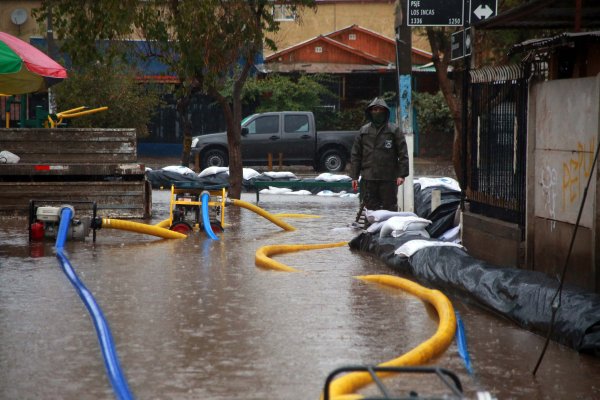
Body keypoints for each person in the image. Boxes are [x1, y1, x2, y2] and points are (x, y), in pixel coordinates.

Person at [350, 98, 409, 212]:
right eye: (374, 109)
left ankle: (389, 229)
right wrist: (354, 176)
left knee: (390, 207)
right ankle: (370, 229)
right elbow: (356, 155)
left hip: (388, 177)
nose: (377, 112)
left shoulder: (394, 130)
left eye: (380, 109)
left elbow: (403, 153)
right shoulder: (363, 131)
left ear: (385, 112)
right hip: (369, 177)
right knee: (370, 208)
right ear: (370, 112)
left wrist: (402, 174)